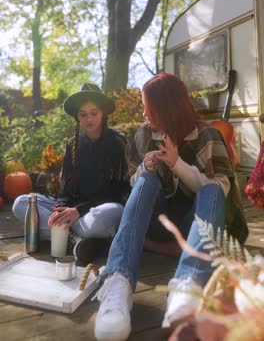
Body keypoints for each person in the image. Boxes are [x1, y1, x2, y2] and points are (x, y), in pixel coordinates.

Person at [93, 73, 248, 341]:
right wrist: (146, 168)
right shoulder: (143, 135)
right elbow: (133, 182)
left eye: (149, 109)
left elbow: (221, 191)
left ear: (169, 109)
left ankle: (188, 284)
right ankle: (117, 280)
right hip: (160, 222)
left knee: (212, 187)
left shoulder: (207, 135)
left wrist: (177, 163)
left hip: (198, 227)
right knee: (146, 180)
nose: (144, 114)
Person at [13, 83, 130, 261]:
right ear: (77, 117)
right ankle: (78, 241)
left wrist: (77, 211)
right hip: (74, 210)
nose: (89, 119)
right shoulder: (73, 144)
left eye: (94, 113)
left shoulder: (117, 142)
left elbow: (116, 192)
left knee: (111, 212)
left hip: (96, 211)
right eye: (83, 114)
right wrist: (61, 210)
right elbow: (65, 189)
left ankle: (62, 234)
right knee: (22, 203)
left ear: (103, 114)